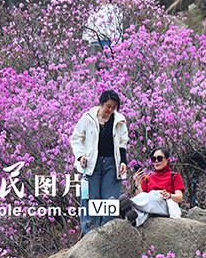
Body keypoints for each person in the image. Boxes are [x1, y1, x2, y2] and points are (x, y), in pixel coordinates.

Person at [70, 89, 129, 235]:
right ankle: (90, 233)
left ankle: (107, 231)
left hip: (111, 163)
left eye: (114, 107)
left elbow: (122, 143)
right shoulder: (88, 117)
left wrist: (123, 162)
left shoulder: (119, 120)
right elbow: (76, 139)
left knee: (110, 199)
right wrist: (80, 156)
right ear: (101, 103)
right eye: (108, 106)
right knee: (91, 198)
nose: (110, 110)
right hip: (91, 163)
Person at [121, 147, 185, 225]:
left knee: (146, 197)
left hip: (165, 205)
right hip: (150, 205)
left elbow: (179, 198)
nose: (156, 161)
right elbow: (140, 197)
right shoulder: (148, 178)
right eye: (154, 159)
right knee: (145, 198)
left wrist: (169, 195)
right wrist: (137, 183)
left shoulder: (174, 176)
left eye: (160, 158)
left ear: (168, 160)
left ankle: (125, 206)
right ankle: (134, 217)